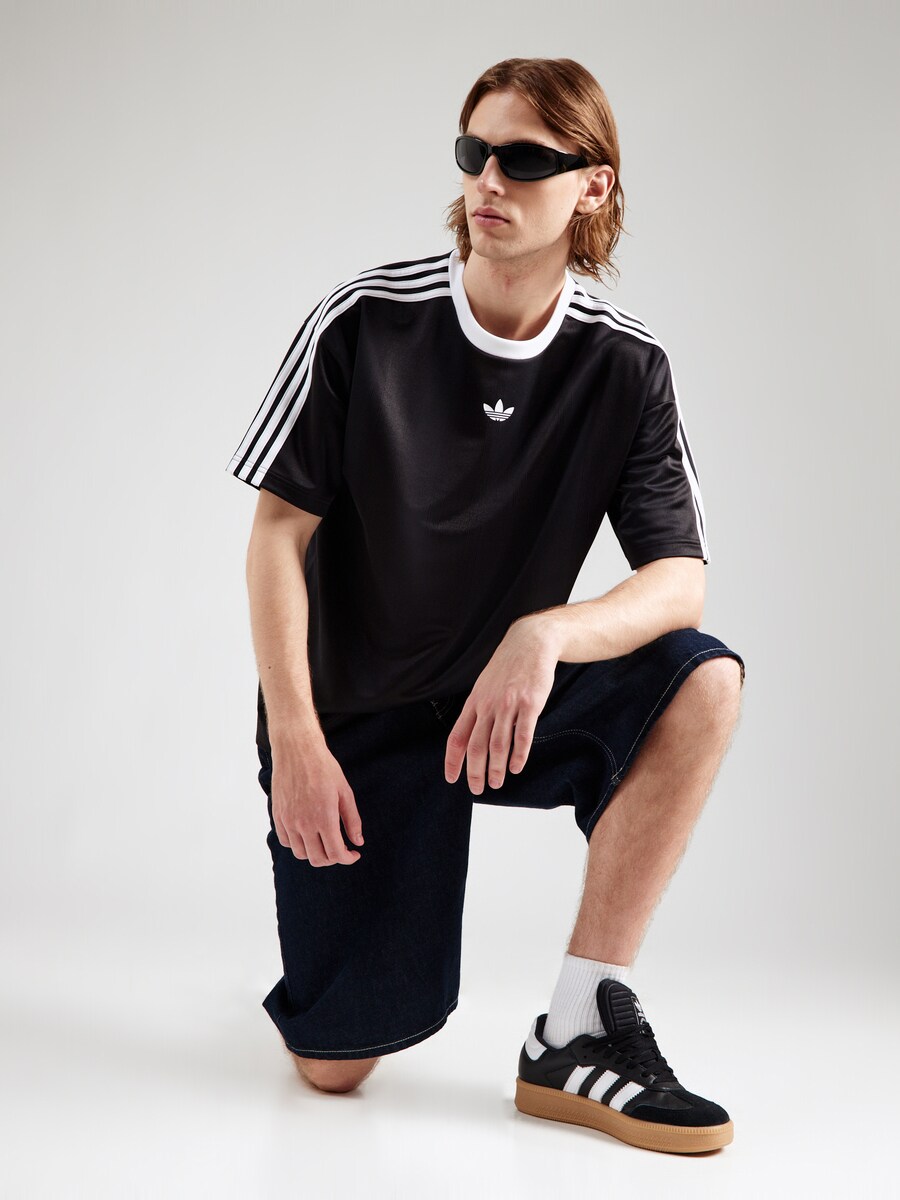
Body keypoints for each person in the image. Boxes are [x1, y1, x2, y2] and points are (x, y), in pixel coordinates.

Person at [226, 56, 746, 1156]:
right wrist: (297, 739)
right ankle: (331, 967)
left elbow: (679, 579)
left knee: (703, 681)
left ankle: (579, 1025)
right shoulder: (366, 320)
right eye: (474, 152)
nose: (488, 181)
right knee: (336, 1066)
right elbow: (277, 535)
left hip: (495, 711)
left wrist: (545, 632)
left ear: (593, 186)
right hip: (356, 718)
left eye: (523, 159)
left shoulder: (626, 365)